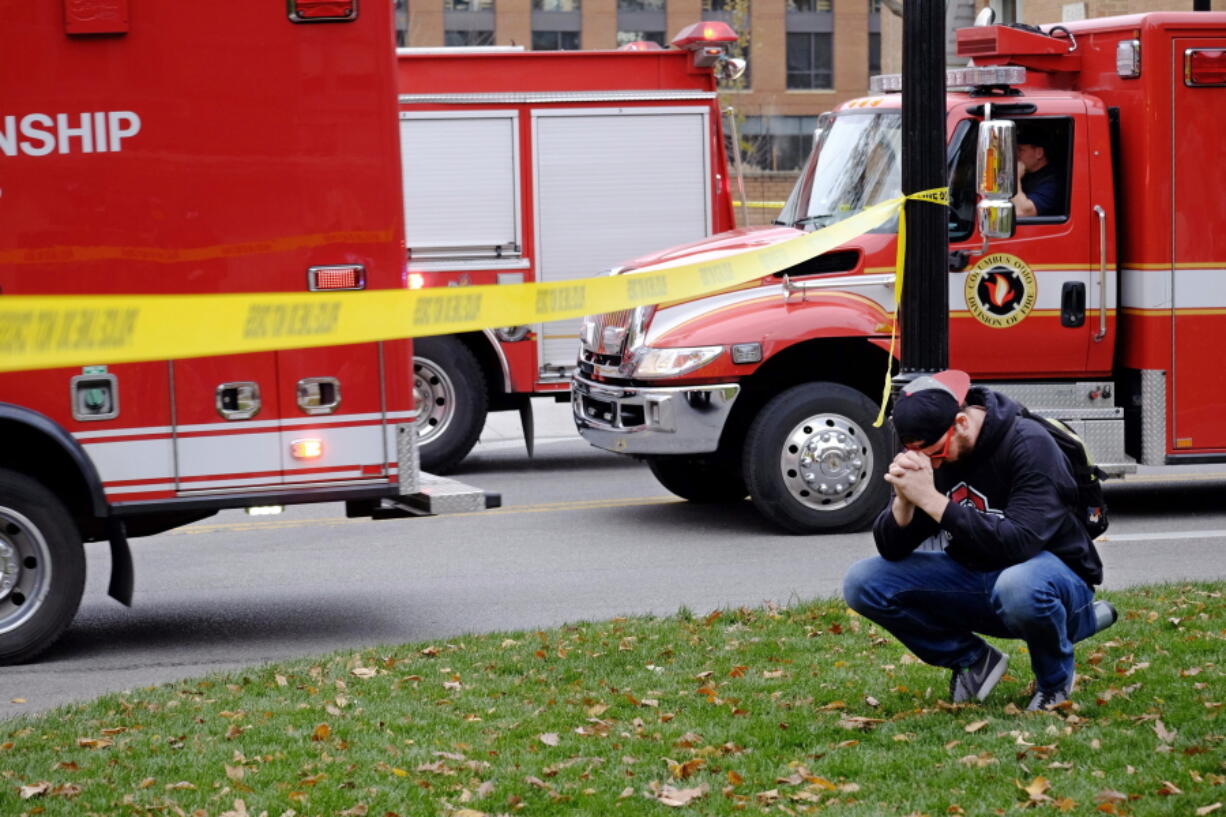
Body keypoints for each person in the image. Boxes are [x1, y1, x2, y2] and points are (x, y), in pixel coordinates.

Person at [842, 370, 1115, 710]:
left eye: (935, 452)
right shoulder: (933, 449)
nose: (931, 462)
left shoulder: (1028, 444)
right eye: (918, 454)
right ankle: (974, 661)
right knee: (863, 581)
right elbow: (892, 549)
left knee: (1019, 586)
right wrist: (903, 501)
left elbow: (1019, 543)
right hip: (981, 577)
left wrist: (931, 500)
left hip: (1054, 576)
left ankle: (1054, 681)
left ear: (961, 422)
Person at [1011, 129, 1063, 217]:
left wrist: (1015, 177)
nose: (1017, 155)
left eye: (1020, 150)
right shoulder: (1027, 174)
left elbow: (1022, 212)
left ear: (1039, 153)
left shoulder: (1053, 182)